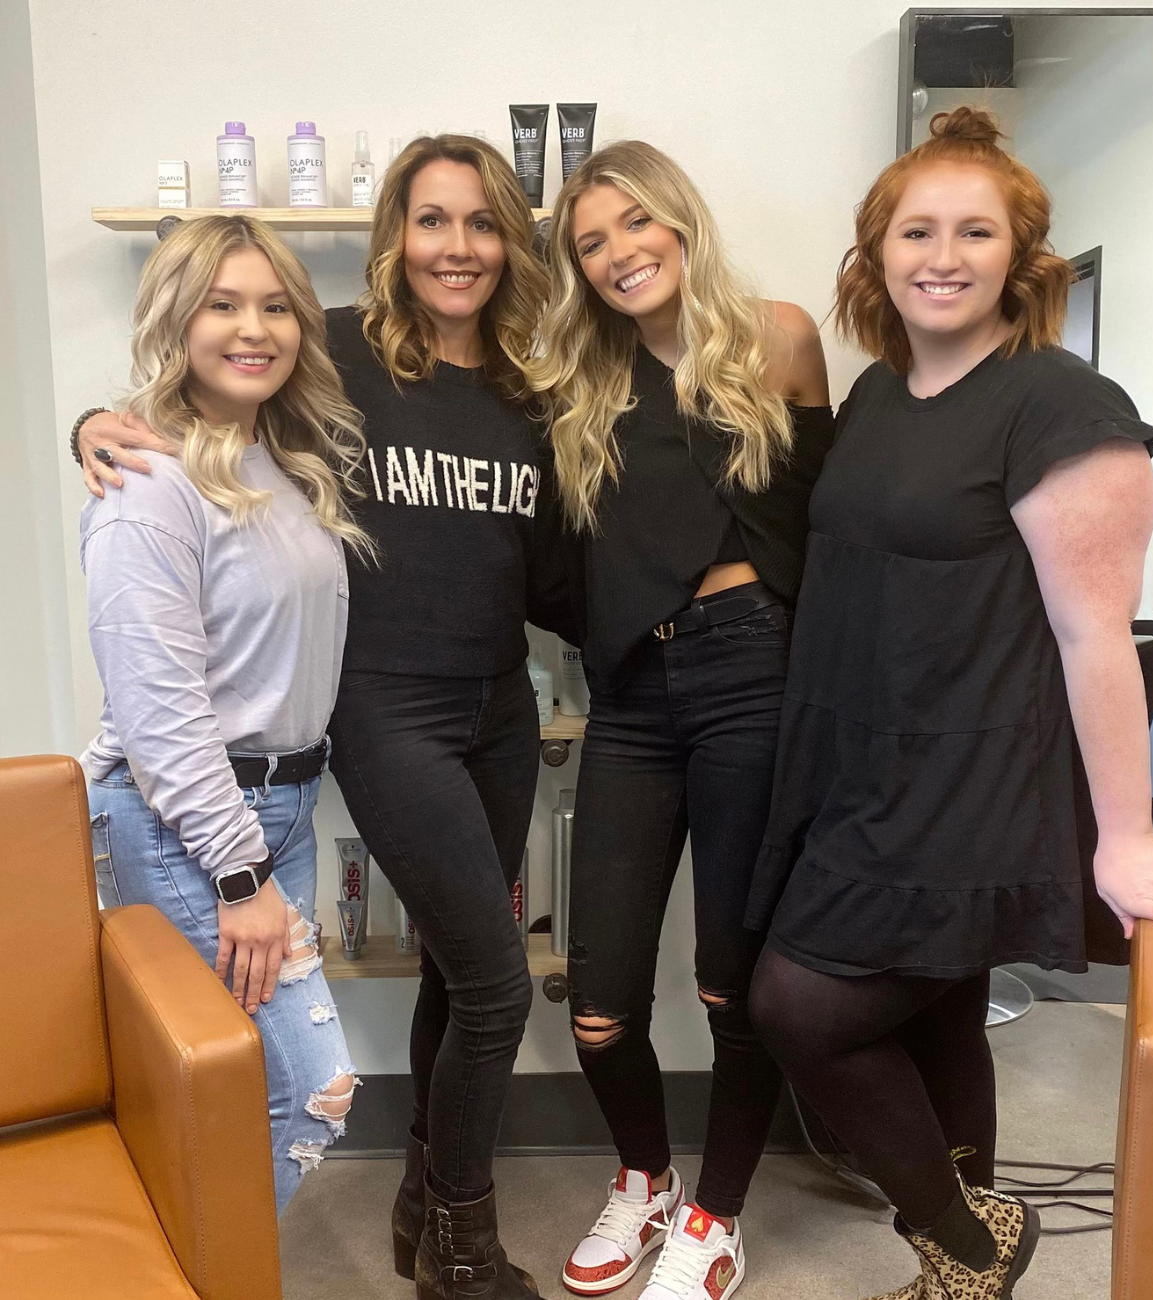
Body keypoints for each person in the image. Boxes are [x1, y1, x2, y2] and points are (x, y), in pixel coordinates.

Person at [76, 136, 561, 1300]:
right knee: (492, 986)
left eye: (482, 222)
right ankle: (457, 1248)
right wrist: (93, 423)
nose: (457, 246)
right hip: (384, 713)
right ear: (395, 235)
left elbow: (552, 566)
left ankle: (418, 1207)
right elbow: (193, 383)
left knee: (461, 967)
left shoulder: (527, 391)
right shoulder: (334, 346)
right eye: (432, 219)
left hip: (498, 707)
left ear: (511, 241)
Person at [745, 107, 1153, 1300]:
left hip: (969, 774)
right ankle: (961, 1280)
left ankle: (968, 1236)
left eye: (975, 232)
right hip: (861, 762)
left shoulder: (1061, 406)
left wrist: (1128, 836)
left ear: (1021, 257)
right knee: (938, 1013)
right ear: (876, 253)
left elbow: (1096, 637)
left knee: (798, 1006)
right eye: (917, 231)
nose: (942, 256)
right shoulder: (879, 395)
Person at [531, 141, 833, 1300]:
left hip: (754, 675)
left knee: (728, 984)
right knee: (599, 1001)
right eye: (590, 243)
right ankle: (646, 1178)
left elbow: (828, 524)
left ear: (679, 221)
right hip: (632, 701)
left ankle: (718, 1212)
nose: (618, 253)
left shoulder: (778, 338)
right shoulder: (576, 384)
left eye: (634, 223)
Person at [79, 213, 370, 1215]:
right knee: (312, 1092)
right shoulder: (146, 484)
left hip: (277, 814)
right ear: (176, 319)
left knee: (241, 1093)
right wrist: (239, 872)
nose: (254, 328)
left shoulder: (281, 460)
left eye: (276, 306)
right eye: (223, 304)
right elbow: (158, 709)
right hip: (191, 827)